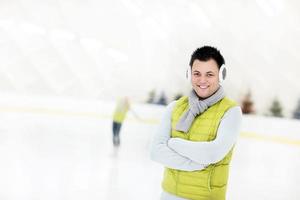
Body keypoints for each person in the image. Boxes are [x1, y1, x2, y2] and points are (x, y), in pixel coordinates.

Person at [150, 46, 242, 200]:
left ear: (221, 75)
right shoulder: (175, 107)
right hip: (168, 195)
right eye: (197, 74)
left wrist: (173, 144)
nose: (202, 80)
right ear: (189, 74)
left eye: (210, 74)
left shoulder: (231, 112)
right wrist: (194, 164)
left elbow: (212, 153)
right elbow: (155, 151)